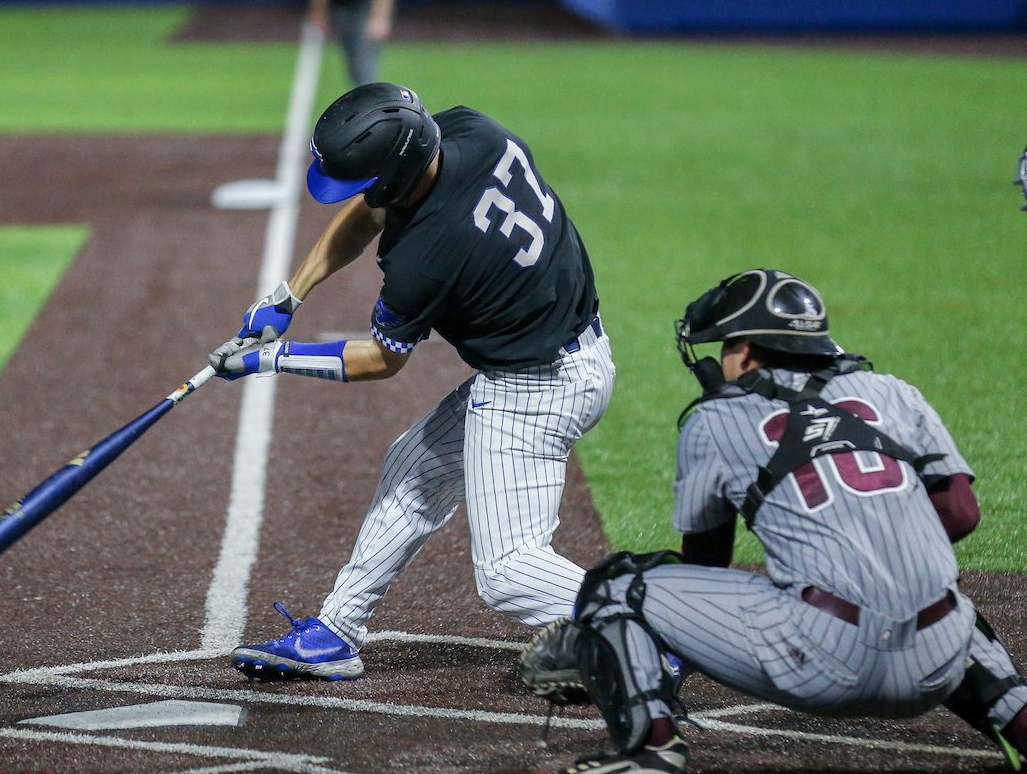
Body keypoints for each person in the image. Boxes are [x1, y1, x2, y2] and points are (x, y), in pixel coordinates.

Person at [518, 269, 1027, 774]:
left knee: (617, 585)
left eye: (724, 346)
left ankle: (651, 749)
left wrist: (623, 653)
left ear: (746, 351)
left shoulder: (716, 420)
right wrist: (880, 545)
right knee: (941, 602)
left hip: (823, 665)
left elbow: (706, 563)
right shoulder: (892, 392)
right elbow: (961, 513)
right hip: (938, 665)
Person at [207, 82, 614, 682]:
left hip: (537, 388)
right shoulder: (470, 131)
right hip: (556, 353)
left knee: (508, 572)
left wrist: (271, 359)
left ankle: (659, 627)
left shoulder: (425, 255)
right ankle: (338, 631)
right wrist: (289, 296)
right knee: (412, 470)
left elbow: (380, 360)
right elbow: (375, 208)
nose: (361, 192)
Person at [308, 0, 396, 88]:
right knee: (353, 66)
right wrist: (320, 11)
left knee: (363, 67)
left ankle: (370, 97)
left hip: (365, 5)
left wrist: (379, 16)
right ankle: (366, 94)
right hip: (340, 2)